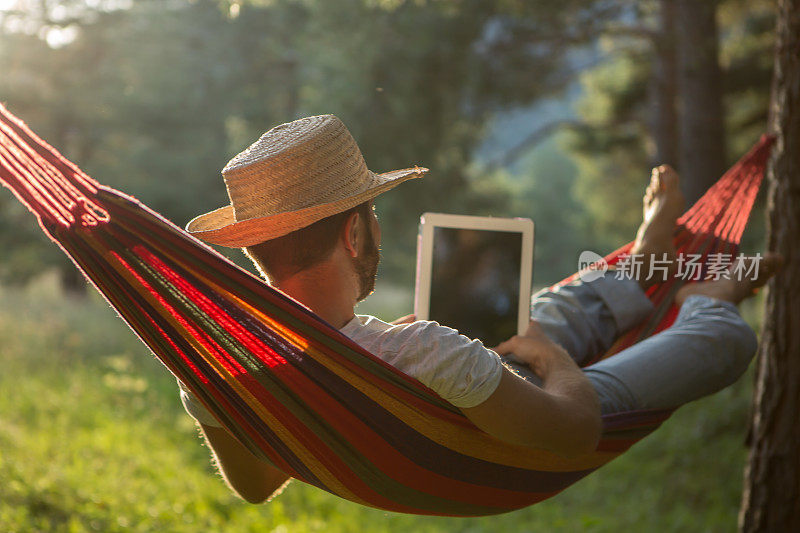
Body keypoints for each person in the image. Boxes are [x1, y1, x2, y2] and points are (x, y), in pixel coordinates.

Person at [178, 115, 781, 504]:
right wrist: (544, 354)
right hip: (528, 416)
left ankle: (646, 259)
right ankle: (705, 300)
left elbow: (256, 486)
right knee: (722, 342)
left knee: (536, 312)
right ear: (355, 235)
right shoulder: (425, 352)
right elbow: (580, 431)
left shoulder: (216, 372)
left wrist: (337, 410)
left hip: (463, 388)